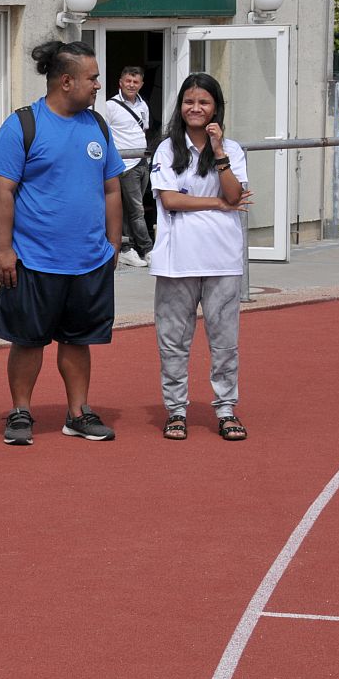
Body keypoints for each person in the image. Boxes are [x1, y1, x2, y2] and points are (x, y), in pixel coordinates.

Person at [0, 40, 124, 446]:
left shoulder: (97, 125)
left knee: (80, 341)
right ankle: (21, 412)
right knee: (28, 341)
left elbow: (111, 188)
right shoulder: (23, 125)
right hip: (33, 259)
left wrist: (114, 244)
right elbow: (2, 191)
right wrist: (3, 248)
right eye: (92, 78)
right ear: (66, 81)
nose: (99, 85)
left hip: (89, 260)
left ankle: (77, 413)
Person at [148, 73, 252, 442]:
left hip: (222, 259)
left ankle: (226, 409)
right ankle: (176, 410)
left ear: (215, 108)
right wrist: (218, 204)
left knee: (224, 341)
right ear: (180, 107)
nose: (195, 108)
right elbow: (171, 199)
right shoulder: (166, 150)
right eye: (189, 101)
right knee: (173, 340)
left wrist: (219, 150)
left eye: (203, 102)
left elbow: (235, 194)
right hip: (177, 261)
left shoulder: (232, 150)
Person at [105, 65, 154, 267]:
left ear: (141, 84)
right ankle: (148, 249)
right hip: (126, 165)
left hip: (142, 162)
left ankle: (127, 246)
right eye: (128, 81)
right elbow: (103, 133)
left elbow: (144, 130)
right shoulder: (110, 106)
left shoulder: (143, 105)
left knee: (129, 208)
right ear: (120, 82)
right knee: (137, 210)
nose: (131, 85)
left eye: (136, 82)